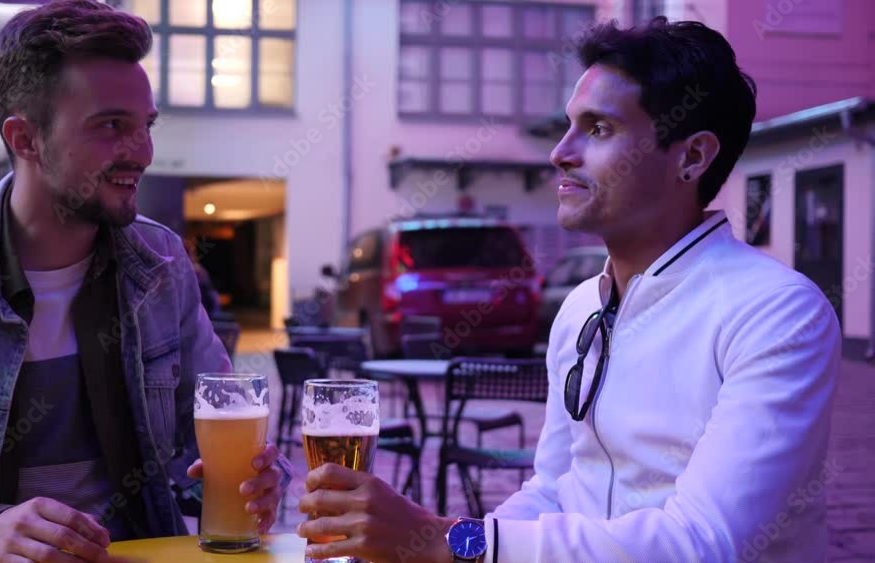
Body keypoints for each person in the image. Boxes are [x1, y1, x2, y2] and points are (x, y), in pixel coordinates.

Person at [295, 17, 840, 563]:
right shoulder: (581, 307)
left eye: (599, 129)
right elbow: (554, 491)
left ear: (692, 157)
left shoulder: (776, 313)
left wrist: (449, 541)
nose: (560, 151)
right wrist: (455, 545)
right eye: (568, 125)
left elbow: (703, 542)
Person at [0, 2, 289, 562]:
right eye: (111, 125)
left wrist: (257, 480)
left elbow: (211, 445)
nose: (141, 152)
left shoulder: (163, 265)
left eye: (146, 126)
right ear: (24, 138)